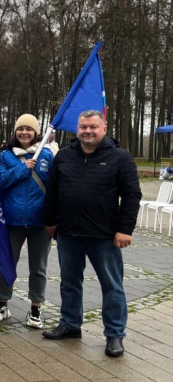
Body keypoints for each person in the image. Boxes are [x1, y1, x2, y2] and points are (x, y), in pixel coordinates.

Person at [42, 110, 141, 357]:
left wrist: (124, 229)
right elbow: (52, 192)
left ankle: (115, 335)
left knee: (112, 285)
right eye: (83, 127)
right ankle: (70, 324)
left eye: (93, 127)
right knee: (69, 282)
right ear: (77, 129)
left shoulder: (121, 158)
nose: (88, 131)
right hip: (68, 233)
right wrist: (50, 221)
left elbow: (132, 196)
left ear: (104, 128)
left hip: (105, 236)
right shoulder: (64, 156)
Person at [0, 115, 55, 328]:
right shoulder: (5, 156)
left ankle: (36, 308)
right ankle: (2, 303)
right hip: (12, 220)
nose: (24, 133)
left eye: (29, 129)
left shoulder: (47, 155)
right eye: (21, 129)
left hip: (40, 221)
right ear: (15, 132)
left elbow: (55, 187)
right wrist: (22, 168)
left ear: (36, 133)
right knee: (6, 264)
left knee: (39, 267)